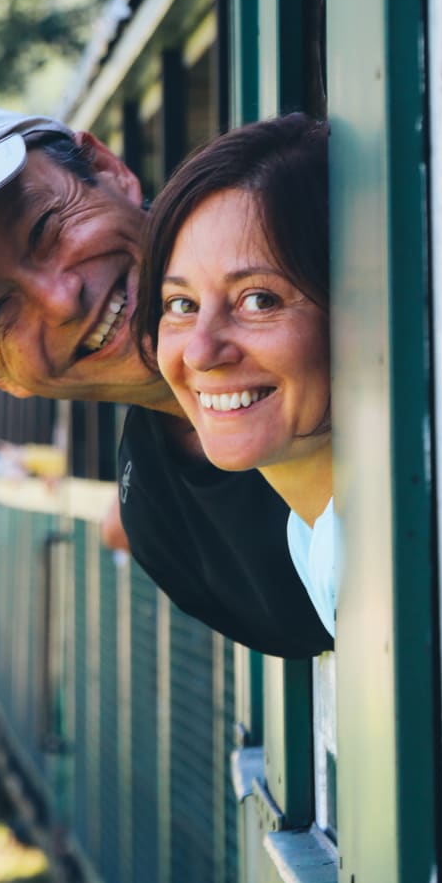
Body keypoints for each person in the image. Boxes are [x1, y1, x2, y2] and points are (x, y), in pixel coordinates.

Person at [0, 107, 332, 657]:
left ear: (108, 170)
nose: (61, 299)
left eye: (45, 229)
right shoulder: (160, 522)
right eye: (0, 312)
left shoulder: (343, 241)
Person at [134, 114, 339, 636]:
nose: (202, 352)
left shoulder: (397, 539)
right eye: (181, 304)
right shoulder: (311, 537)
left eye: (259, 300)